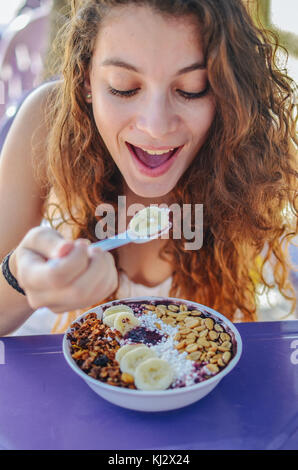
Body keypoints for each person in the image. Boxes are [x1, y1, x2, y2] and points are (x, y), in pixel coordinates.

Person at [0, 0, 297, 336]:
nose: (156, 126)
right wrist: (18, 277)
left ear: (227, 90)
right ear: (86, 78)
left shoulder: (254, 144)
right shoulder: (47, 122)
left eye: (192, 89)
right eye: (123, 86)